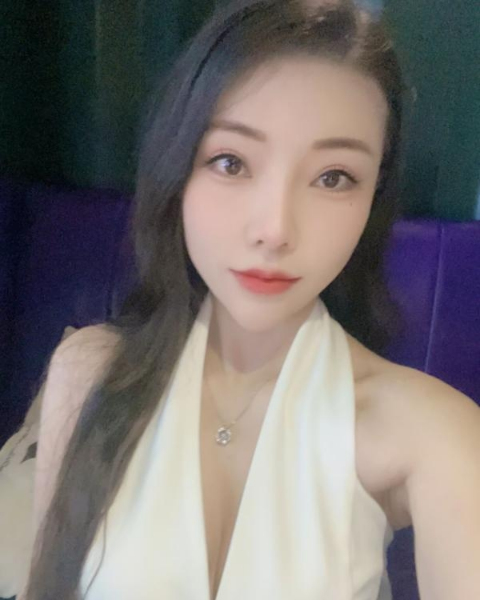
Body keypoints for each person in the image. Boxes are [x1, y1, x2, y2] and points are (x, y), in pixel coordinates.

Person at [22, 0, 480, 599]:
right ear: (176, 170)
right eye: (231, 162)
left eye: (334, 177)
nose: (275, 229)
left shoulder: (431, 431)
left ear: (373, 200)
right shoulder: (89, 375)